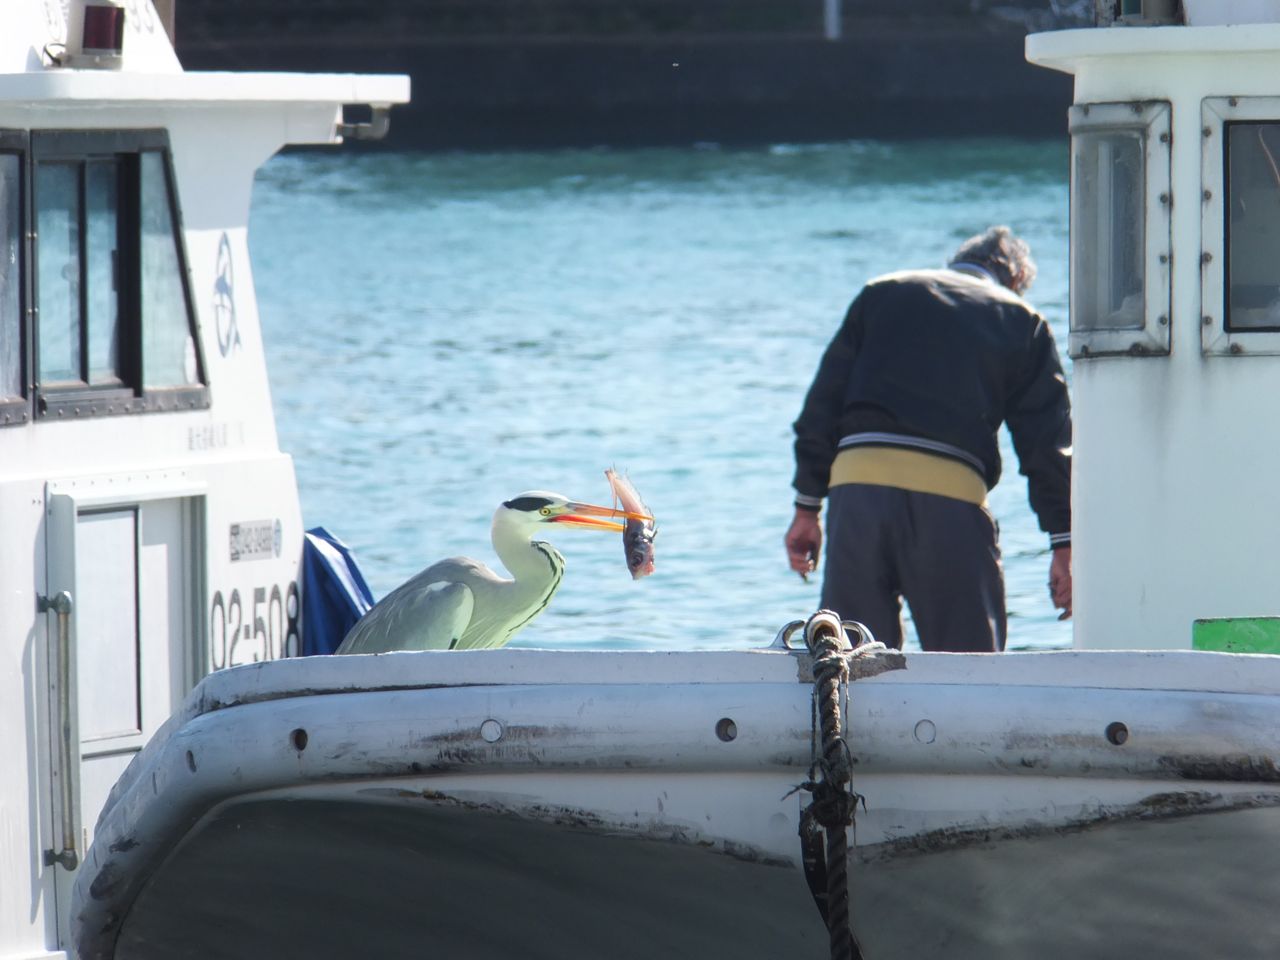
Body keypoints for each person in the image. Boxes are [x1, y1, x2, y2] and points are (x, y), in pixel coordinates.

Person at [784, 226, 1072, 652]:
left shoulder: (880, 294)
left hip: (856, 499)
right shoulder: (1020, 319)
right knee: (970, 675)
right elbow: (1045, 445)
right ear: (1015, 281)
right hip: (950, 503)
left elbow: (821, 408)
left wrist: (807, 508)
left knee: (852, 668)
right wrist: (1064, 541)